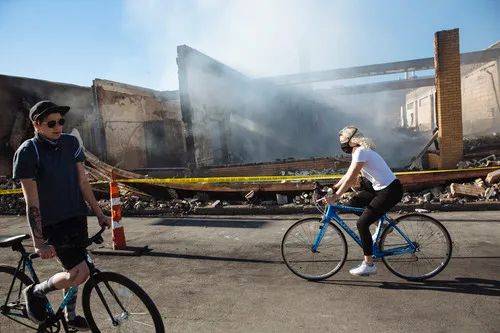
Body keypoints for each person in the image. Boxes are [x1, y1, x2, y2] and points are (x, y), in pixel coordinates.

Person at [12, 100, 111, 330]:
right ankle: (36, 291)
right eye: (52, 123)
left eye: (61, 122)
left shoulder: (70, 143)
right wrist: (39, 241)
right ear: (37, 125)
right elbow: (32, 201)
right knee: (81, 271)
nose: (58, 127)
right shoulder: (28, 152)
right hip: (53, 225)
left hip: (76, 217)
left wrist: (99, 213)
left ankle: (70, 317)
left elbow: (83, 182)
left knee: (74, 271)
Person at [324, 126, 403, 276]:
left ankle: (369, 264)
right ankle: (384, 224)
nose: (342, 144)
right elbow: (347, 175)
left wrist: (336, 196)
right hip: (379, 189)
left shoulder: (361, 151)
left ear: (352, 140)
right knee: (353, 204)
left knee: (362, 224)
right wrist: (334, 188)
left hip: (390, 191)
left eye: (343, 140)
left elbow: (352, 178)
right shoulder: (358, 151)